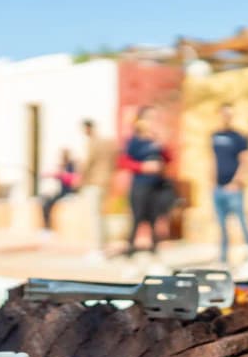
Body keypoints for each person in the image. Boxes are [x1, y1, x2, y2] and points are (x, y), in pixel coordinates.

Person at [119, 107, 173, 256]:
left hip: (157, 184)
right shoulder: (134, 141)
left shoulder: (156, 141)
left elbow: (169, 159)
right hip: (140, 184)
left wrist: (162, 145)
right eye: (149, 118)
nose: (152, 122)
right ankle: (130, 249)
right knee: (138, 218)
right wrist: (143, 167)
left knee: (155, 218)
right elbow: (123, 162)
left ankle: (153, 250)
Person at [212, 103, 248, 264]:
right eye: (224, 114)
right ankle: (223, 259)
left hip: (233, 188)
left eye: (229, 114)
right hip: (218, 188)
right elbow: (212, 160)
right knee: (221, 226)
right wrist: (212, 182)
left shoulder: (239, 137)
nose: (226, 117)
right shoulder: (214, 136)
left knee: (242, 221)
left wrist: (236, 182)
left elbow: (247, 161)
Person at [79, 119, 117, 255]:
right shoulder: (108, 143)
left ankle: (98, 248)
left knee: (95, 215)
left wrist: (79, 180)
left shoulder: (92, 143)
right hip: (106, 182)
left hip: (94, 182)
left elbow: (87, 164)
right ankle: (104, 245)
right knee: (102, 215)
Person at [41, 149, 79, 231]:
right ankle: (47, 227)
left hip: (68, 192)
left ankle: (48, 228)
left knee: (48, 204)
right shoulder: (63, 166)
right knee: (45, 202)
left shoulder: (71, 166)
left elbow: (74, 180)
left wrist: (60, 175)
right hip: (61, 192)